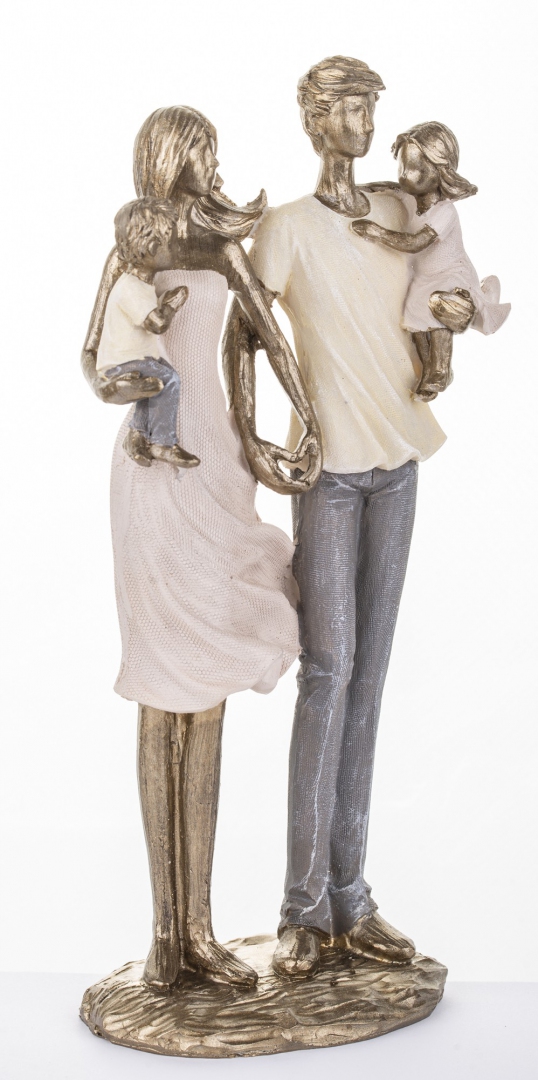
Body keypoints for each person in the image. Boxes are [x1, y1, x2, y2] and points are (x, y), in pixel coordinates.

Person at [226, 55, 476, 978]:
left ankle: (350, 898)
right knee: (327, 674)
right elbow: (244, 335)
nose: (364, 121)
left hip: (397, 465)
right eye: (346, 107)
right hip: (327, 474)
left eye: (371, 106)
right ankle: (302, 907)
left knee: (368, 679)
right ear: (312, 118)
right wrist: (257, 438)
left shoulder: (404, 209)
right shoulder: (287, 229)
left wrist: (453, 319)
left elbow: (445, 286)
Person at [82, 105, 321, 991]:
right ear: (172, 157)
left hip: (216, 465)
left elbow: (266, 335)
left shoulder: (222, 244)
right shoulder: (134, 247)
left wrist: (302, 422)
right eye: (203, 152)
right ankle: (163, 937)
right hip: (153, 473)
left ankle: (200, 931)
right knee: (161, 690)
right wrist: (132, 389)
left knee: (209, 691)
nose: (213, 165)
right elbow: (92, 356)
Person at [352, 121, 510, 400]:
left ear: (441, 173)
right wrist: (357, 189)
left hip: (451, 274)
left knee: (437, 307)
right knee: (413, 316)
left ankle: (440, 368)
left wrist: (377, 232)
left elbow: (416, 243)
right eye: (402, 167)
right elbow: (387, 187)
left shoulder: (444, 212)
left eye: (414, 169)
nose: (404, 175)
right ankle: (425, 366)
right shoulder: (410, 199)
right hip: (424, 276)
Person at [98, 195, 199, 468]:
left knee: (155, 383)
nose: (178, 246)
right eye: (172, 242)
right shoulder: (130, 288)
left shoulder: (141, 284)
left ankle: (138, 435)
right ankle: (164, 443)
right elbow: (157, 323)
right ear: (153, 247)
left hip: (135, 359)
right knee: (169, 379)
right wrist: (172, 304)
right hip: (122, 364)